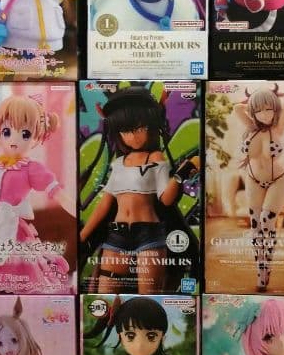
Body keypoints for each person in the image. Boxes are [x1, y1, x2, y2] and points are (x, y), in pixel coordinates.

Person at [79, 86, 199, 293]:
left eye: (139, 128)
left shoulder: (155, 157)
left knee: (149, 295)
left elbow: (166, 199)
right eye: (125, 131)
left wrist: (182, 173)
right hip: (117, 235)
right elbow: (105, 203)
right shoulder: (119, 163)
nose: (132, 136)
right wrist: (82, 236)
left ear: (151, 126)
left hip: (148, 234)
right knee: (105, 295)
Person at [0, 92, 74, 293]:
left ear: (36, 137)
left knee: (15, 276)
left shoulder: (32, 168)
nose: (13, 140)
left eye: (25, 134)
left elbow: (57, 193)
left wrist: (79, 212)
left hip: (11, 230)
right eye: (7, 132)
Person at [234, 86, 284, 291]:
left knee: (267, 221)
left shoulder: (278, 128)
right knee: (255, 226)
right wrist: (254, 105)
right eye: (259, 110)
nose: (265, 114)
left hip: (278, 179)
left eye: (269, 109)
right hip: (253, 179)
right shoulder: (251, 126)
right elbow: (236, 108)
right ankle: (261, 271)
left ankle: (268, 265)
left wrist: (271, 103)